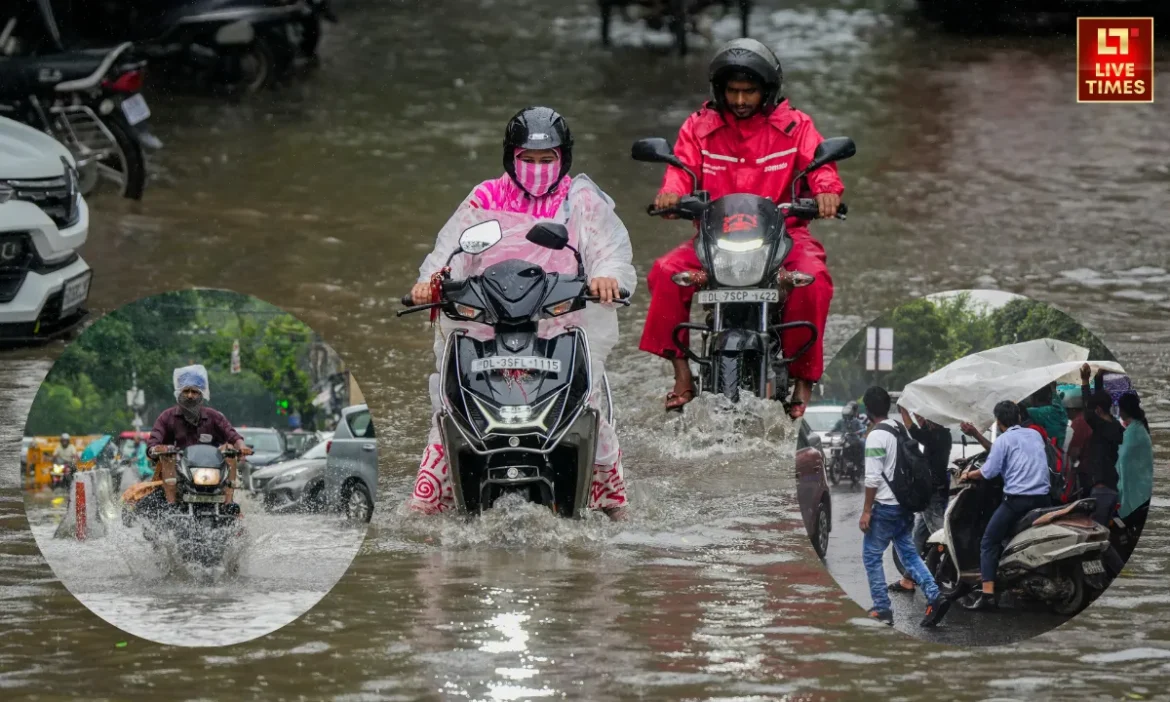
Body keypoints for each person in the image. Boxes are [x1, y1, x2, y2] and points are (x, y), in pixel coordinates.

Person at [406, 106, 637, 520]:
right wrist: (431, 281)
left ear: (562, 158)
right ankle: (432, 495)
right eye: (526, 160)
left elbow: (609, 253)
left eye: (545, 160)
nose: (536, 168)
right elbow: (450, 252)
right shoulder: (485, 197)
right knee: (453, 407)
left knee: (590, 405)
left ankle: (611, 502)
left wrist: (606, 278)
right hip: (487, 322)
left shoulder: (578, 200)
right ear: (510, 158)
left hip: (560, 321)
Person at [638, 38, 844, 417]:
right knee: (665, 273)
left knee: (814, 281)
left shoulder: (796, 126)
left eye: (749, 91)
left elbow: (821, 167)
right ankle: (682, 372)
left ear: (767, 90)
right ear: (720, 91)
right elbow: (679, 173)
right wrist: (670, 197)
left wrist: (826, 193)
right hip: (714, 241)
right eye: (732, 91)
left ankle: (802, 381)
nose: (740, 100)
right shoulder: (699, 128)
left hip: (785, 238)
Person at [859, 387, 950, 628]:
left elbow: (872, 479)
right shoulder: (898, 428)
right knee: (909, 554)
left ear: (867, 410)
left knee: (871, 556)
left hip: (886, 507)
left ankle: (882, 609)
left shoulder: (876, 436)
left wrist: (867, 510)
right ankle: (934, 595)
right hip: (905, 505)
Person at [958, 401, 1051, 611]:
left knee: (988, 542)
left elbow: (989, 472)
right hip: (1044, 499)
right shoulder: (1034, 435)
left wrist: (968, 474)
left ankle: (988, 595)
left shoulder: (1004, 440)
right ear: (1019, 417)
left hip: (1018, 500)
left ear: (999, 423)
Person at [144, 365, 249, 512]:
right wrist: (157, 449)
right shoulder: (167, 417)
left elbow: (233, 435)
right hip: (178, 475)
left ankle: (227, 502)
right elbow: (153, 442)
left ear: (202, 394)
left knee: (230, 452)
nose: (190, 396)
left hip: (212, 474)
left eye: (194, 391)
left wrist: (241, 447)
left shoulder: (214, 417)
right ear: (179, 393)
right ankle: (171, 504)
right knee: (168, 455)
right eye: (186, 391)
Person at [887, 406, 952, 595]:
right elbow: (921, 427)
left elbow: (915, 431)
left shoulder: (938, 436)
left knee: (942, 535)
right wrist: (915, 407)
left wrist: (904, 411)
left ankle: (957, 569)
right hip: (932, 491)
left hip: (932, 493)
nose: (924, 420)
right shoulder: (940, 434)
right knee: (918, 535)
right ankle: (908, 579)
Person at [1079, 364, 1124, 526]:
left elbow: (1088, 410)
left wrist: (1085, 381)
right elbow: (1095, 404)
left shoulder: (1101, 427)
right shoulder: (1117, 427)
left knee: (1096, 534)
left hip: (1102, 490)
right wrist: (1098, 378)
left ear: (1098, 410)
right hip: (1114, 488)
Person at [1115, 392, 1153, 560]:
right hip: (1144, 487)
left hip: (1136, 491)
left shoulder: (1133, 432)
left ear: (1123, 410)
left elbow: (1122, 460)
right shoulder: (1138, 428)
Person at [1020, 383, 1068, 449]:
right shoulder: (1059, 409)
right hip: (1060, 451)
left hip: (1053, 452)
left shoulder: (1043, 412)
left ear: (1035, 398)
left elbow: (1024, 410)